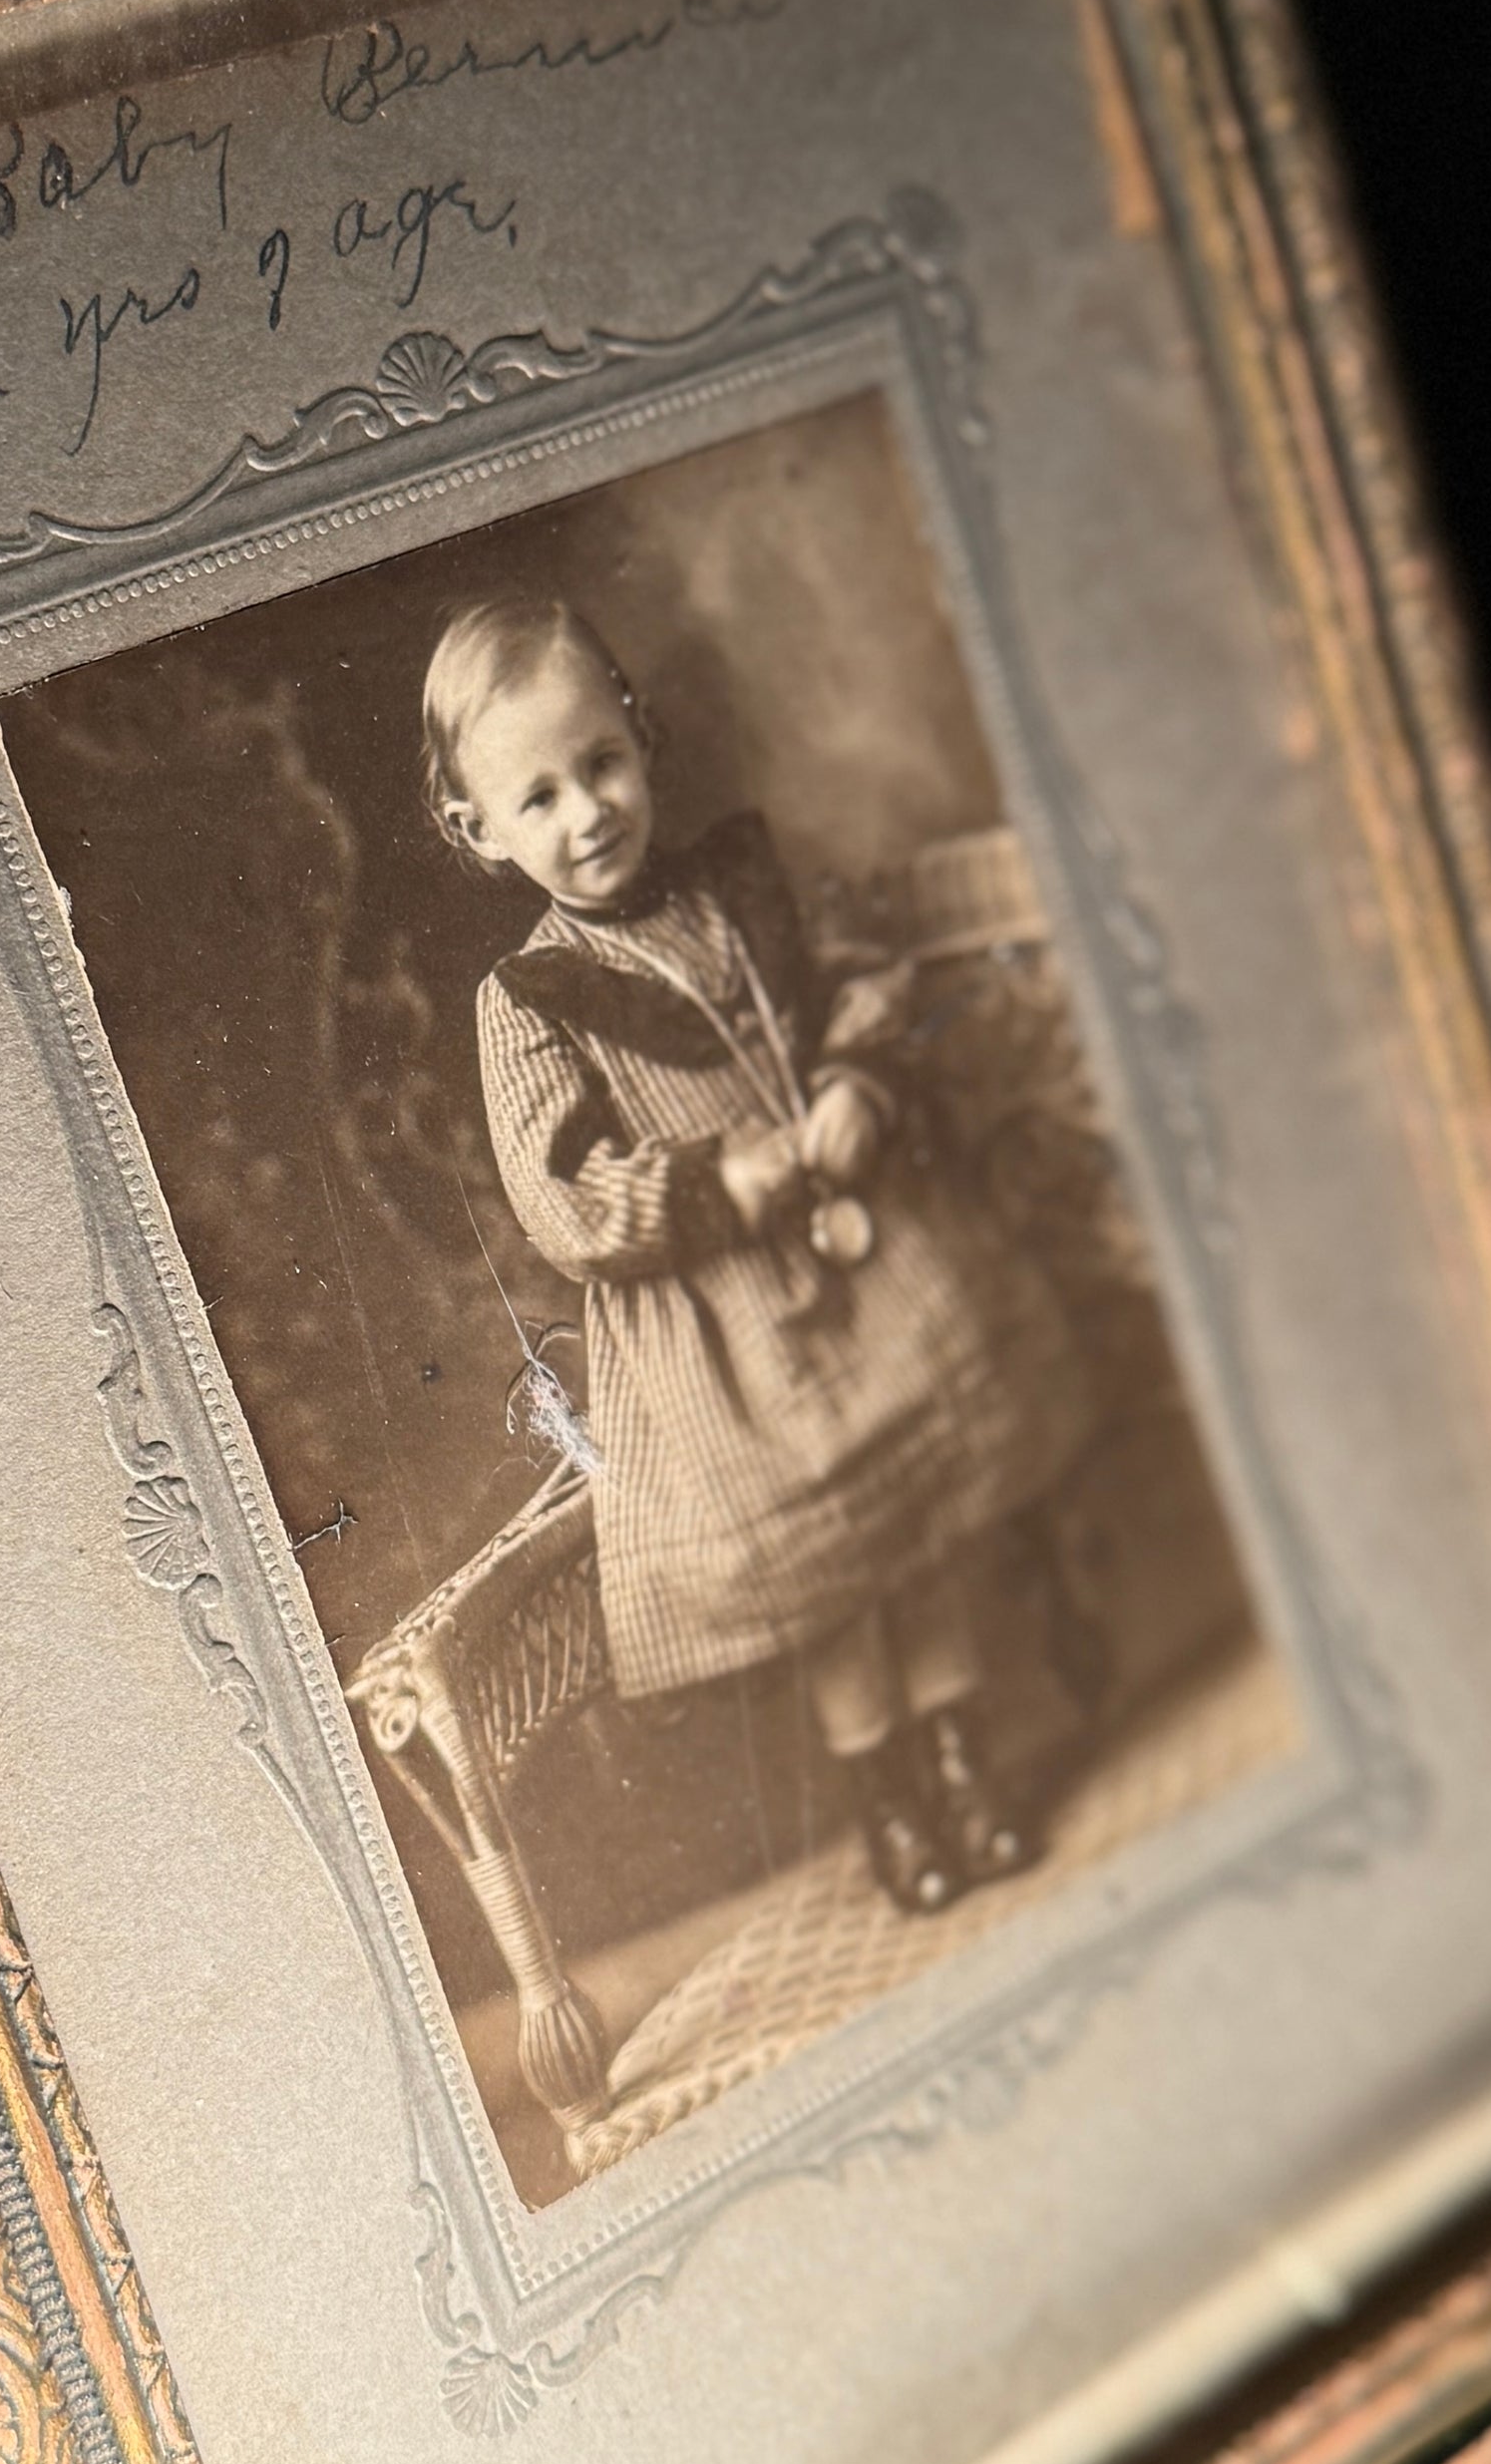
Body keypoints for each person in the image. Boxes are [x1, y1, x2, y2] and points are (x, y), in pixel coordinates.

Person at [427, 588, 1087, 1917]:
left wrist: (852, 1079)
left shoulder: (740, 888)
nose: (589, 812)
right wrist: (722, 1177)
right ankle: (892, 1796)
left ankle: (967, 1761)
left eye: (601, 765)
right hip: (725, 1333)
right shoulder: (531, 1002)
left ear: (644, 734)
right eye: (539, 797)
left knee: (923, 1517)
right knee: (831, 1572)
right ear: (477, 829)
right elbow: (562, 1199)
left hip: (865, 1259)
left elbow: (862, 977)